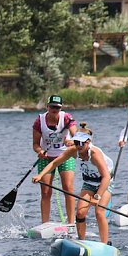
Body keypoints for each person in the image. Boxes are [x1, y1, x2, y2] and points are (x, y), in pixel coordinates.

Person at [32, 123, 114, 244]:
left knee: (99, 212)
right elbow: (55, 163)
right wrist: (40, 175)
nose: (78, 146)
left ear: (88, 142)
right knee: (80, 213)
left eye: (81, 143)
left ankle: (105, 243)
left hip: (105, 183)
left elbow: (106, 177)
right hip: (89, 183)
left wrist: (97, 197)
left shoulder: (95, 154)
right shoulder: (73, 150)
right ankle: (82, 242)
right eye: (76, 142)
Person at [32, 94, 77, 224]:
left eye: (57, 107)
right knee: (46, 192)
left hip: (65, 156)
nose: (54, 110)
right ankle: (45, 224)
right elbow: (35, 144)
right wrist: (40, 151)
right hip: (46, 158)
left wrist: (71, 141)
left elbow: (77, 137)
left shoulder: (67, 118)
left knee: (68, 188)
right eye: (52, 107)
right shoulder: (39, 120)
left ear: (60, 108)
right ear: (47, 107)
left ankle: (71, 223)